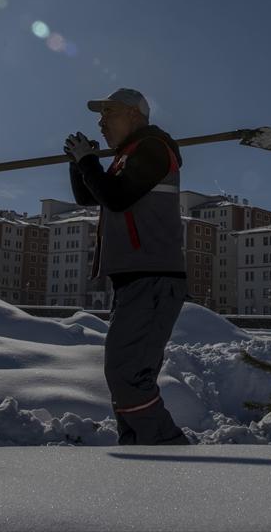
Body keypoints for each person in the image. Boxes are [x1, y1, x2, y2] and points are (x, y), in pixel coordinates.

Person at [64, 88, 190, 445]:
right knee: (125, 372)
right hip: (134, 280)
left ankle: (165, 446)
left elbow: (116, 198)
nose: (101, 123)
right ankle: (138, 445)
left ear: (134, 115)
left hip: (153, 277)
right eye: (99, 117)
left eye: (109, 114)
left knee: (126, 373)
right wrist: (79, 164)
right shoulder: (126, 157)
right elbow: (92, 194)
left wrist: (88, 161)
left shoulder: (152, 148)